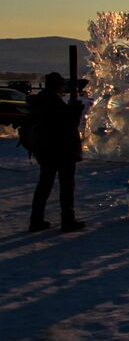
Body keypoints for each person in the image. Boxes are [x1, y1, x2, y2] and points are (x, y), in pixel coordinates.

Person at [24, 72, 85, 232]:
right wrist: (76, 110)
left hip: (46, 150)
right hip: (61, 150)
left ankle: (36, 220)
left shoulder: (41, 102)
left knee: (45, 184)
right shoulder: (53, 102)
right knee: (66, 185)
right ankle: (68, 220)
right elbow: (67, 124)